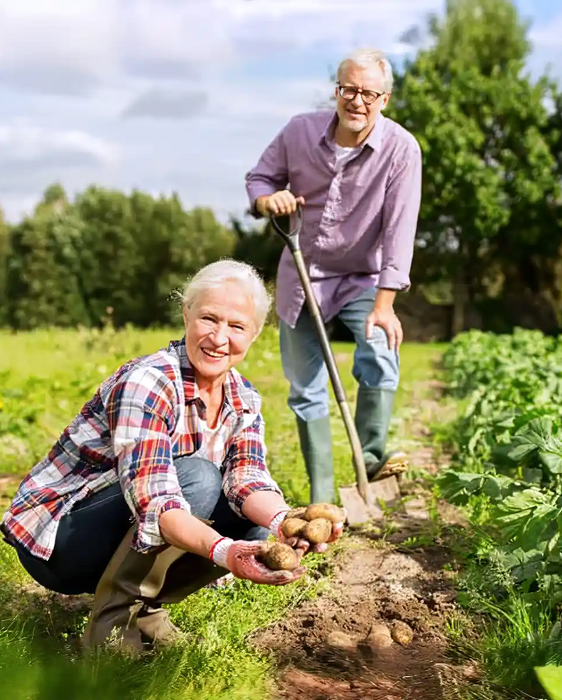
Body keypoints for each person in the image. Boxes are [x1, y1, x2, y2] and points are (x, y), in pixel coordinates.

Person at [0, 259, 342, 654]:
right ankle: (108, 631)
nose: (218, 337)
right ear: (186, 314)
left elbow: (247, 478)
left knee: (255, 527)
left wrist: (285, 520)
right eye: (209, 318)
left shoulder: (244, 397)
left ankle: (146, 611)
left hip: (127, 523)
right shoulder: (149, 381)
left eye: (236, 326)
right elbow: (155, 498)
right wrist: (223, 552)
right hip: (59, 540)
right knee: (198, 478)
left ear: (255, 334)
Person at [245, 47, 422, 504]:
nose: (357, 101)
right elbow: (260, 179)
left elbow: (400, 228)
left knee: (380, 352)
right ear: (337, 90)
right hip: (302, 278)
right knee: (306, 390)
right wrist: (269, 202)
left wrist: (385, 304)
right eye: (348, 89)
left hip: (363, 278)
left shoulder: (401, 148)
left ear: (385, 98)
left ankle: (373, 461)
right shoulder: (299, 131)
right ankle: (323, 498)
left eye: (368, 93)